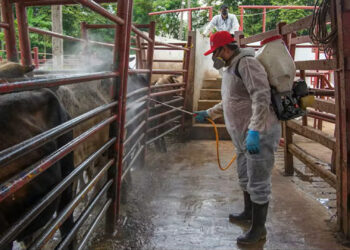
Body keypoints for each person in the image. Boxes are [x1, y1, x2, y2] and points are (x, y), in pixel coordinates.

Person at [195, 31, 281, 244]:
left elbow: (261, 96)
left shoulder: (247, 64)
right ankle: (249, 214)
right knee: (245, 176)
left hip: (258, 133)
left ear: (225, 48)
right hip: (242, 135)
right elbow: (231, 100)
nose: (214, 57)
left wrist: (255, 130)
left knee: (259, 181)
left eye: (216, 52)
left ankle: (259, 230)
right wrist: (209, 113)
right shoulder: (231, 68)